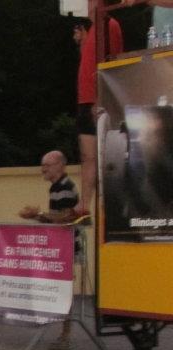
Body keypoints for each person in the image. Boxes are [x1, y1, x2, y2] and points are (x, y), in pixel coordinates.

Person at [19, 150, 81, 350]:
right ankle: (62, 331)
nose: (43, 169)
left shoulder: (64, 188)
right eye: (42, 165)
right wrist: (37, 217)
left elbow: (65, 217)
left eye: (47, 165)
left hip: (67, 247)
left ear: (60, 165)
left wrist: (38, 214)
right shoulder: (56, 187)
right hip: (60, 247)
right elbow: (55, 217)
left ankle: (66, 335)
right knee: (58, 288)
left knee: (63, 290)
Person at [73, 15, 123, 216]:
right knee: (87, 157)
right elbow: (87, 64)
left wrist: (101, 98)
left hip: (98, 100)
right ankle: (84, 205)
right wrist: (83, 42)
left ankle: (109, 209)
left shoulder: (109, 24)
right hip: (84, 101)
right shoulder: (91, 28)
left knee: (105, 158)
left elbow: (113, 61)